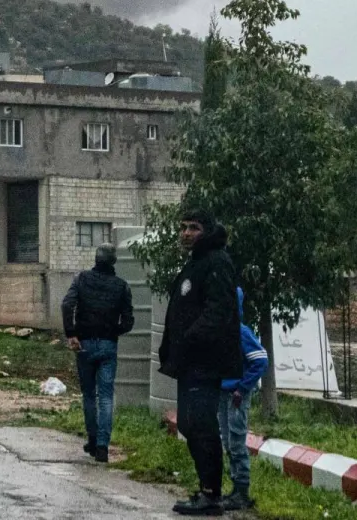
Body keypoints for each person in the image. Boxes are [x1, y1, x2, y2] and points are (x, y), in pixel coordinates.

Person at [158, 207, 243, 516]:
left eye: (193, 228)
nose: (186, 233)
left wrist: (190, 339)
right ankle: (207, 490)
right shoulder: (196, 263)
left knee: (201, 425)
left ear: (206, 230)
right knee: (190, 425)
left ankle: (211, 495)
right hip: (188, 361)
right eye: (183, 227)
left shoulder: (217, 261)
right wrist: (171, 348)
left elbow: (218, 312)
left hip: (205, 360)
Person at [60, 242, 134, 463]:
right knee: (106, 397)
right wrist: (114, 331)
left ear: (95, 258)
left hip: (84, 345)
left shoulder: (82, 279)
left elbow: (67, 305)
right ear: (114, 261)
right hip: (108, 346)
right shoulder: (121, 286)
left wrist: (71, 333)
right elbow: (129, 320)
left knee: (89, 395)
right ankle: (102, 446)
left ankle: (92, 440)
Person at [217, 287, 269, 511]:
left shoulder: (240, 332)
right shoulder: (223, 331)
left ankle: (242, 491)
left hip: (236, 395)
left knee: (237, 443)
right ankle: (235, 488)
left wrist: (242, 387)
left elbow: (261, 361)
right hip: (223, 393)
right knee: (228, 442)